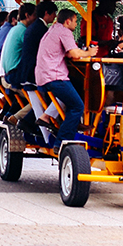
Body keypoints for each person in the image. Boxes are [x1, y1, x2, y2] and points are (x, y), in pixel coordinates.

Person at [34, 8, 98, 146]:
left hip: (43, 75)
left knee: (77, 84)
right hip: (54, 76)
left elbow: (69, 53)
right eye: (75, 21)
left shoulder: (53, 29)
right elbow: (74, 54)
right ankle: (62, 141)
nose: (76, 24)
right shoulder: (64, 31)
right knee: (77, 106)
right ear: (68, 21)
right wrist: (90, 52)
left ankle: (73, 123)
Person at [18, 0, 57, 86]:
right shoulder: (41, 29)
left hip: (26, 71)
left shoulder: (34, 26)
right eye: (54, 13)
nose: (55, 16)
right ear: (47, 13)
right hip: (33, 73)